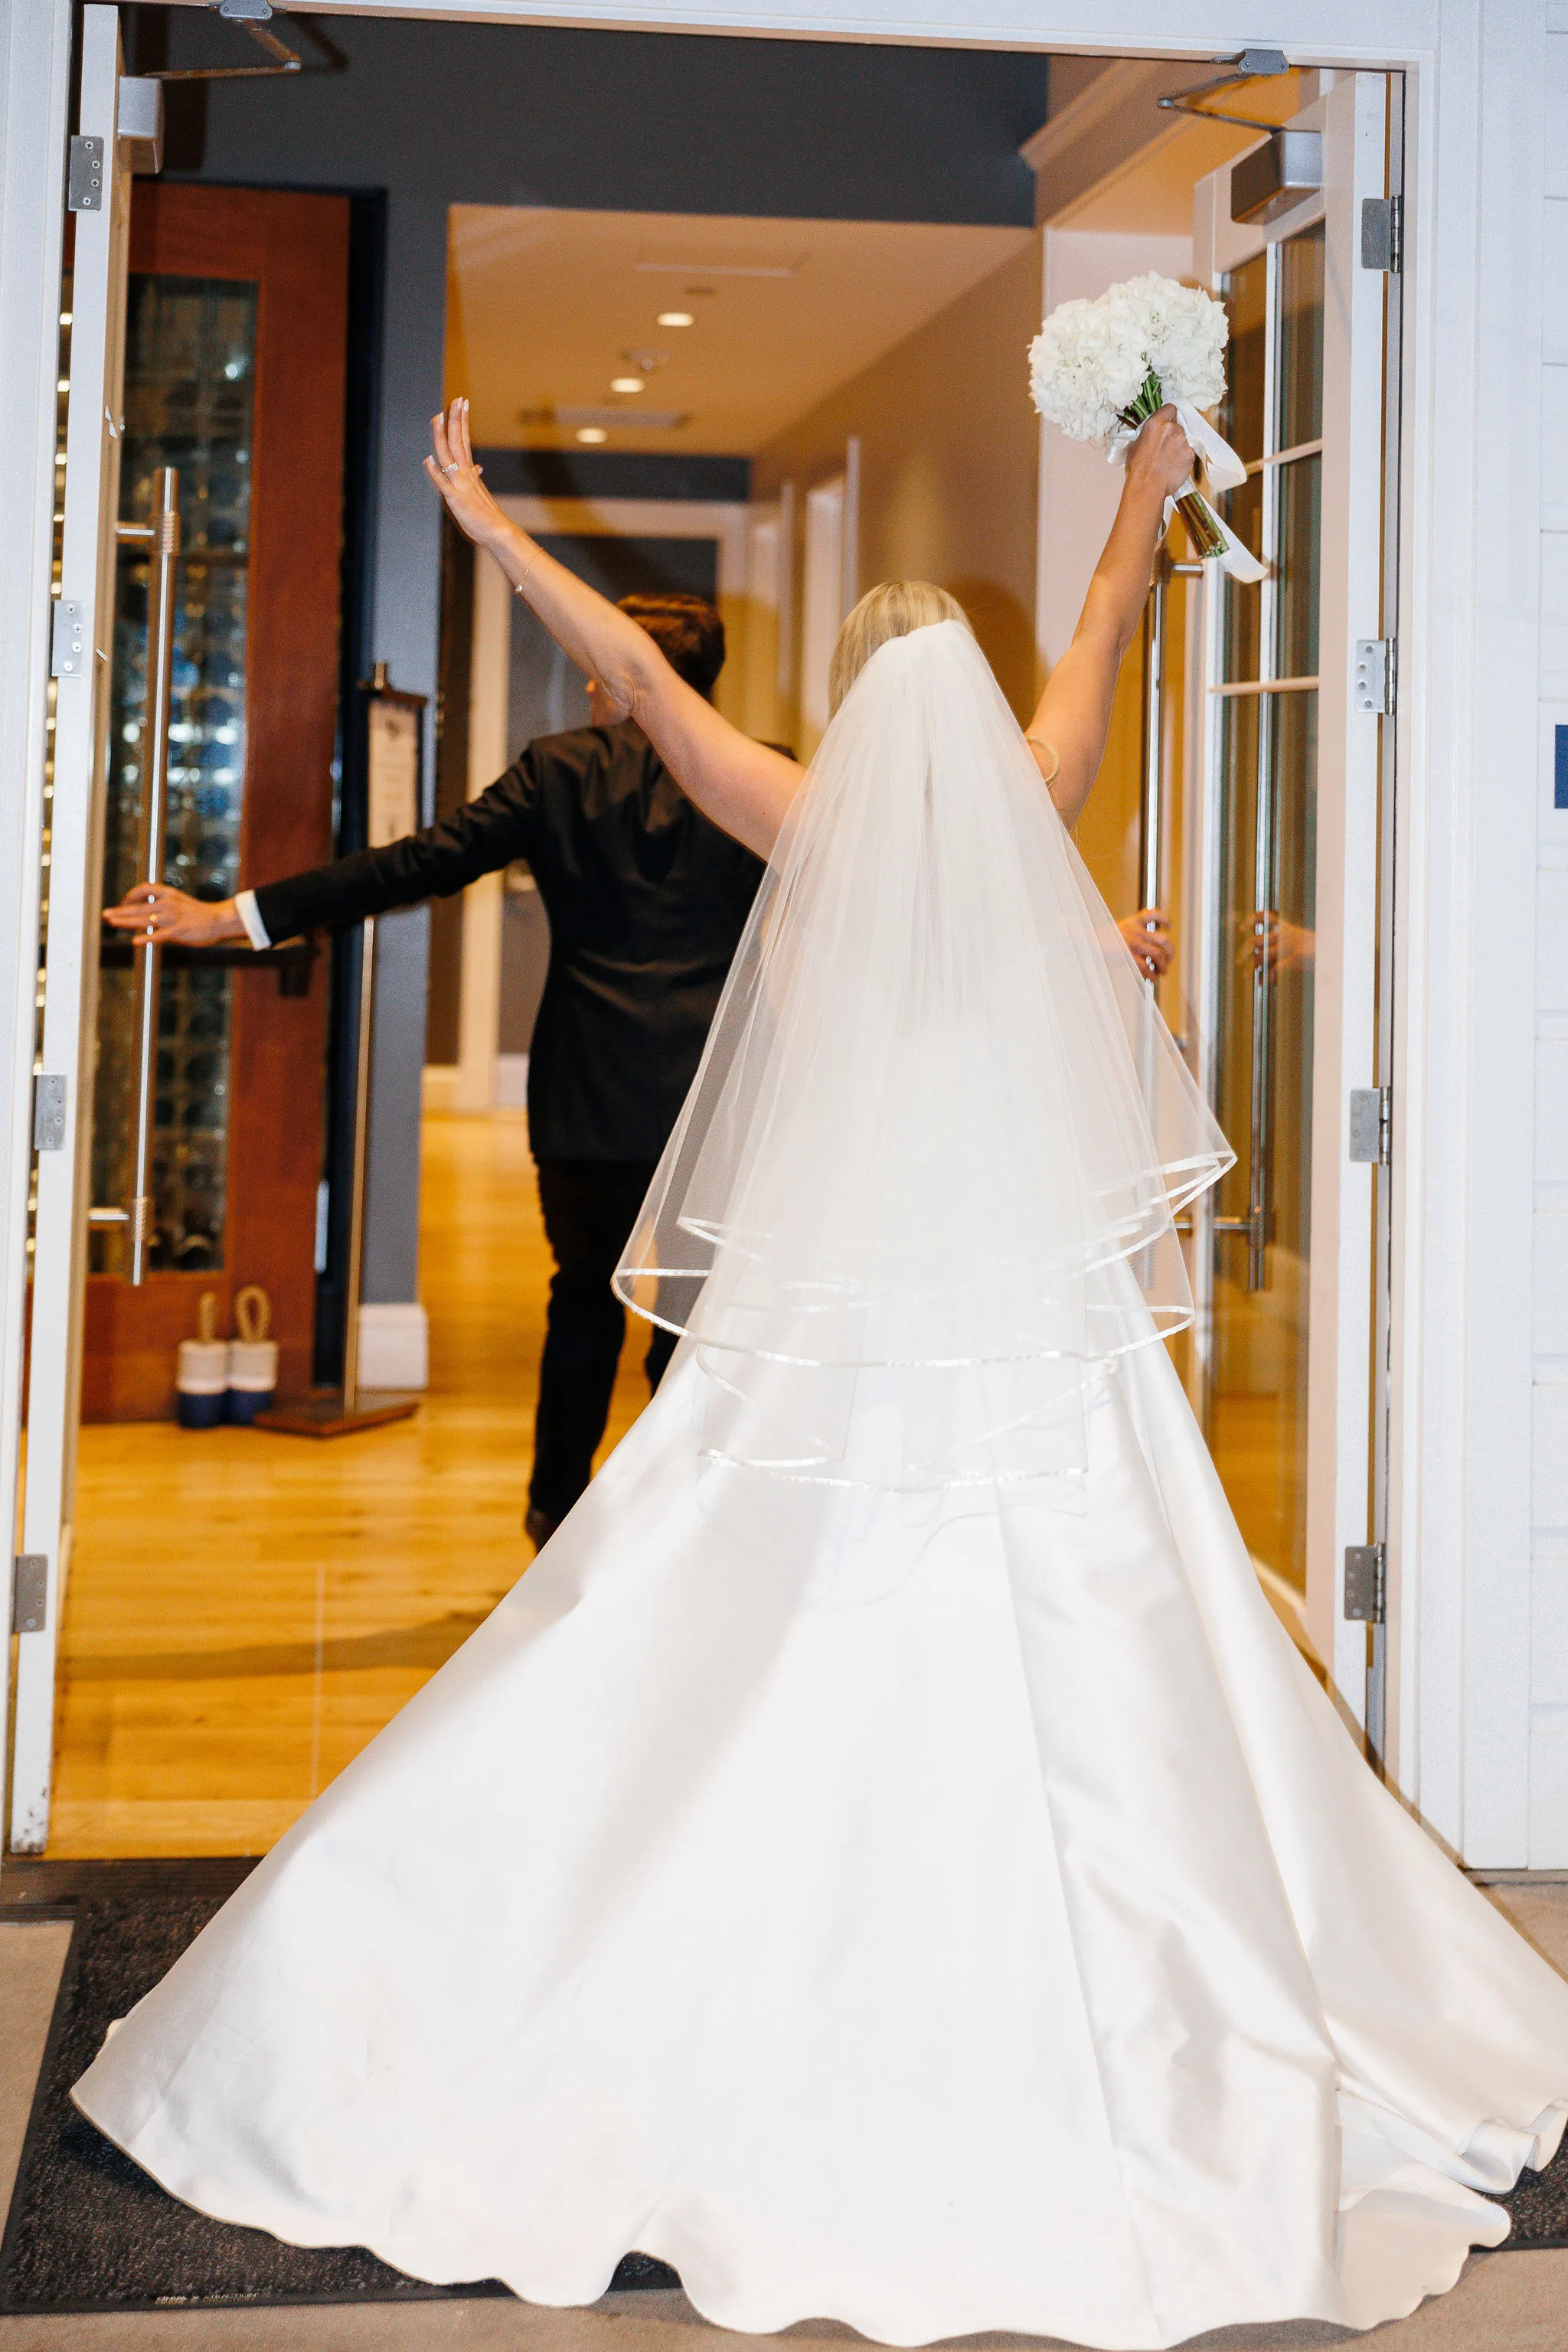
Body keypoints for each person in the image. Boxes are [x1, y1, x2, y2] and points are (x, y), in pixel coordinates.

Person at [75, 397, 1568, 2347]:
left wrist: (488, 523)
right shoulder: (1032, 794)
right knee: (1111, 1599)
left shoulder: (797, 806)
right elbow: (1110, 608)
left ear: (863, 708)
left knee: (699, 1580)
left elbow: (621, 669)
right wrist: (1145, 472)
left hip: (852, 1302)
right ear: (966, 700)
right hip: (1029, 1309)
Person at [106, 591, 766, 1549]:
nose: (583, 678)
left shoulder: (559, 773)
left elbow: (408, 866)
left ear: (630, 677)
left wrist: (232, 916)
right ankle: (685, 1530)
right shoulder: (768, 776)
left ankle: (558, 1520)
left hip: (587, 1097)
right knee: (696, 1322)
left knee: (583, 1298)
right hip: (720, 1098)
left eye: (593, 660)